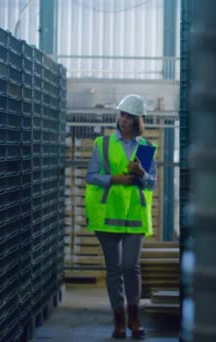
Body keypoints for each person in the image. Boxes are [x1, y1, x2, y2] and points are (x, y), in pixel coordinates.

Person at [85, 94, 156, 339]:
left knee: (130, 266)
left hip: (134, 216)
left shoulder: (145, 148)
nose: (124, 120)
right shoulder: (102, 144)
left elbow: (151, 184)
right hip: (108, 216)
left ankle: (134, 319)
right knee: (114, 269)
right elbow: (91, 176)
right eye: (122, 115)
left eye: (129, 116)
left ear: (138, 121)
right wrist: (115, 178)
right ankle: (119, 321)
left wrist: (141, 173)